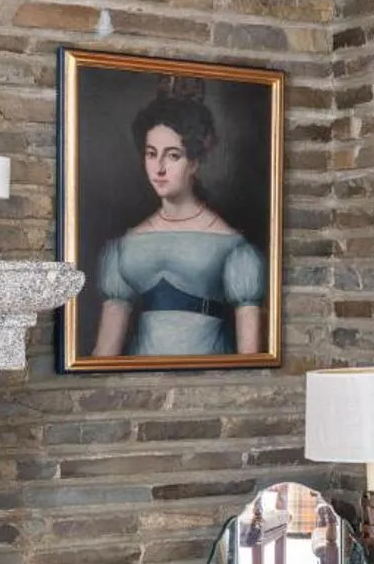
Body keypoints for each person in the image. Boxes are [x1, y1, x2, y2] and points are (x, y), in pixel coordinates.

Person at [92, 85, 266, 359]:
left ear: (195, 162)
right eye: (151, 154)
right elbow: (105, 353)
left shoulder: (231, 246)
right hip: (139, 383)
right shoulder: (126, 245)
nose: (159, 168)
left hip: (210, 380)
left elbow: (251, 357)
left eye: (173, 155)